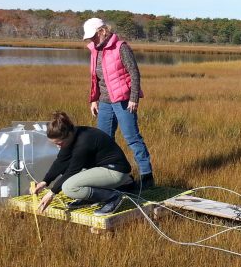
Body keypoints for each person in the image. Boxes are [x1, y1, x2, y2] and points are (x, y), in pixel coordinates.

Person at [83, 17, 155, 190]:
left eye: (94, 36)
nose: (91, 40)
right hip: (104, 102)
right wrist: (94, 99)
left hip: (123, 100)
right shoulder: (94, 50)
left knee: (132, 138)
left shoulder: (120, 47)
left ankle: (147, 177)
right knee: (103, 141)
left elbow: (134, 73)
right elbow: (96, 78)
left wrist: (134, 97)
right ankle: (112, 176)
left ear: (102, 31)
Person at [33, 111, 133, 216]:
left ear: (68, 134)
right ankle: (90, 198)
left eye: (59, 143)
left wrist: (51, 193)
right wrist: (45, 181)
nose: (58, 147)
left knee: (69, 187)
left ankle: (113, 197)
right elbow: (61, 161)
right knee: (68, 180)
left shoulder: (84, 142)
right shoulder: (72, 136)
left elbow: (72, 171)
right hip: (101, 169)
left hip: (116, 172)